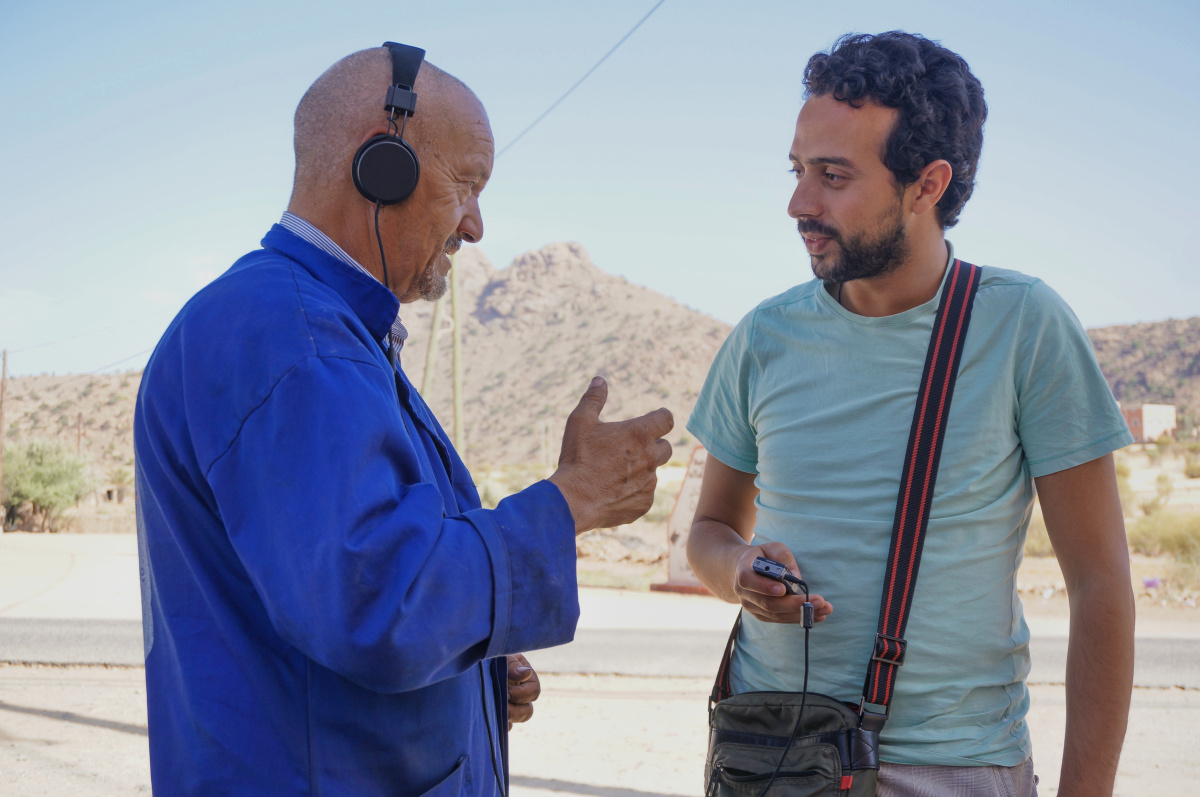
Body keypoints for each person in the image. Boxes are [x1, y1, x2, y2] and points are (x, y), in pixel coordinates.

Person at [134, 44, 673, 796]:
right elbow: (380, 603)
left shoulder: (315, 330)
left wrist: (471, 670)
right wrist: (569, 501)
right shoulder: (296, 339)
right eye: (467, 184)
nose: (477, 225)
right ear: (379, 166)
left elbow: (335, 593)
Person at [686, 31, 1134, 797]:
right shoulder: (764, 336)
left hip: (955, 766)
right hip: (770, 757)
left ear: (927, 184)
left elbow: (1100, 583)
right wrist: (737, 570)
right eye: (797, 171)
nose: (799, 204)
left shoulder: (1023, 325)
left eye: (832, 176)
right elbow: (708, 531)